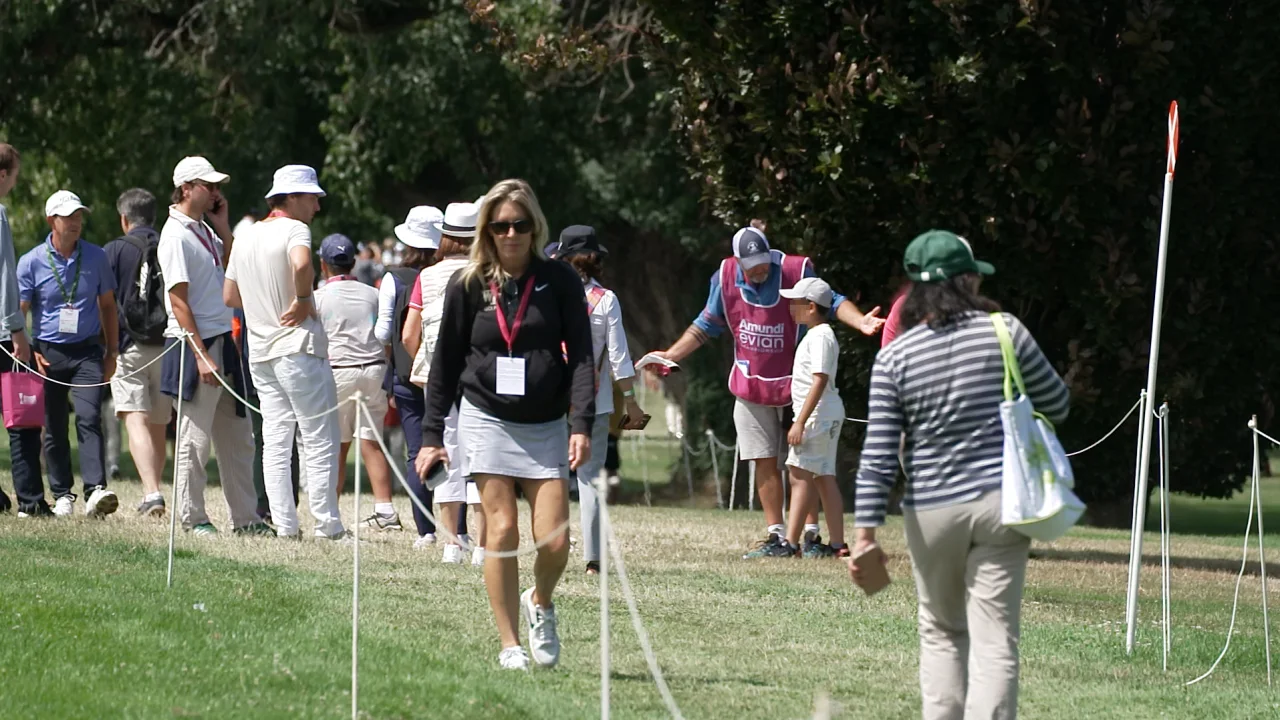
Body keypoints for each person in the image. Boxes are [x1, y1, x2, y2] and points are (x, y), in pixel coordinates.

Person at [851, 231, 1070, 720]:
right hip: (1000, 502)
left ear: (916, 289)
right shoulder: (1004, 330)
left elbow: (880, 452)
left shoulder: (895, 357)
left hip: (932, 510)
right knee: (995, 639)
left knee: (942, 632)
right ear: (967, 280)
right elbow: (1058, 403)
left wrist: (865, 534)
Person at [417, 179, 594, 670]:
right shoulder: (468, 284)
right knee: (502, 530)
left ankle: (540, 600)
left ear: (534, 227)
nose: (510, 234)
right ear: (487, 231)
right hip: (485, 415)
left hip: (544, 422)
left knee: (555, 539)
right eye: (500, 226)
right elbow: (445, 364)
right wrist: (432, 435)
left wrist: (580, 422)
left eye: (519, 224)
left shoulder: (558, 281)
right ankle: (510, 643)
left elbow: (581, 355)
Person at [645, 223, 883, 558]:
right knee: (762, 459)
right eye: (752, 265)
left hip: (793, 387)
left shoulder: (792, 270)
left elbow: (831, 298)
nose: (760, 270)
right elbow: (706, 324)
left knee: (802, 467)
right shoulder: (726, 277)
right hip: (749, 382)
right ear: (738, 261)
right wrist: (671, 355)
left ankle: (809, 537)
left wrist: (860, 322)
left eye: (763, 263)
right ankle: (777, 534)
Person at [225, 164, 345, 540]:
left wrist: (263, 308)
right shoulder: (296, 229)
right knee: (319, 435)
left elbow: (230, 295)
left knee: (276, 440)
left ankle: (286, 525)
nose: (317, 206)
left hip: (261, 351)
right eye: (312, 197)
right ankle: (327, 525)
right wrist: (303, 299)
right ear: (292, 197)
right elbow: (302, 263)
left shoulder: (244, 236)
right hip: (298, 346)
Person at [158, 156, 264, 536]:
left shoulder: (204, 229)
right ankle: (192, 517)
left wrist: (222, 227)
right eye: (209, 186)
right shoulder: (174, 235)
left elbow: (234, 270)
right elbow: (178, 301)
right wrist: (202, 356)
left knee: (238, 436)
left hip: (222, 338)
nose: (217, 192)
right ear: (187, 188)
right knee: (194, 439)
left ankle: (247, 518)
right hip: (194, 346)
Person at [17, 190, 120, 518]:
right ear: (52, 221)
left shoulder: (96, 257)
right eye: (68, 217)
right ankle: (62, 493)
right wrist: (29, 351)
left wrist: (112, 351)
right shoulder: (31, 261)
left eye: (79, 216)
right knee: (54, 424)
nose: (76, 223)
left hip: (88, 351)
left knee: (90, 417)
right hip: (46, 354)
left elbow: (107, 306)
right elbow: (19, 312)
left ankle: (96, 490)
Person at [555, 225, 646, 575]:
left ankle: (551, 548)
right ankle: (592, 559)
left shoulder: (551, 294)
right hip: (592, 399)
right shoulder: (606, 300)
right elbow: (620, 358)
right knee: (589, 478)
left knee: (550, 475)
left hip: (548, 398)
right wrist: (632, 401)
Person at [406, 202, 484, 565]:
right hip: (482, 374)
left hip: (439, 374)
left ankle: (452, 542)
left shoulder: (427, 276)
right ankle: (483, 546)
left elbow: (410, 334)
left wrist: (426, 363)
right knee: (482, 456)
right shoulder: (487, 273)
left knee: (444, 452)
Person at [313, 233, 399, 530]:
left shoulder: (318, 297)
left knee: (337, 445)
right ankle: (385, 509)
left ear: (324, 265)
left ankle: (332, 512)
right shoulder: (371, 293)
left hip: (339, 371)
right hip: (374, 369)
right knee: (372, 442)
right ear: (352, 262)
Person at [764, 277, 848, 557]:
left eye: (795, 303)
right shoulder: (817, 335)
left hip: (817, 416)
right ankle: (838, 545)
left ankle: (789, 544)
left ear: (811, 306)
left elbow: (820, 379)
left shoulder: (821, 336)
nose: (790, 308)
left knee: (799, 476)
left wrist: (799, 421)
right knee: (824, 476)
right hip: (824, 414)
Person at [377, 205, 443, 548]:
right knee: (451, 448)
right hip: (447, 376)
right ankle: (457, 529)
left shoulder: (394, 278)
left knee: (416, 449)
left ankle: (426, 530)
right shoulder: (452, 274)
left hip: (406, 375)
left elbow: (381, 331)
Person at [104, 188, 171, 516]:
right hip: (166, 345)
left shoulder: (114, 250)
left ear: (123, 218)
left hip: (129, 345)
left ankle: (152, 492)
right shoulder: (170, 244)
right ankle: (152, 491)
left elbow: (102, 300)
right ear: (153, 217)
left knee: (135, 418)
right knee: (158, 422)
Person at [0, 142, 43, 516]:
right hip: (1, 333)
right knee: (21, 416)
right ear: (3, 175)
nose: (16, 182)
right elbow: (4, 278)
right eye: (15, 175)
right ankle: (29, 498)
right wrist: (17, 329)